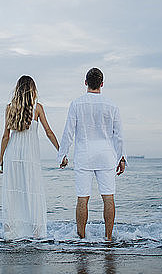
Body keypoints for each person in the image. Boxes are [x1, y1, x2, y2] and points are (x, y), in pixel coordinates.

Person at [57, 68, 126, 241]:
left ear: (85, 82)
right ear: (102, 84)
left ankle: (81, 238)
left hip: (84, 155)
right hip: (106, 155)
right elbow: (119, 135)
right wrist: (122, 157)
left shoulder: (76, 104)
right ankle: (108, 238)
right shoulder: (112, 105)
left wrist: (62, 154)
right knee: (108, 197)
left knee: (82, 198)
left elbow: (69, 132)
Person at [0, 75, 59, 240]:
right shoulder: (37, 108)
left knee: (13, 194)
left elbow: (5, 137)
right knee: (32, 191)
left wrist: (1, 159)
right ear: (33, 90)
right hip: (30, 156)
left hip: (13, 156)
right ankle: (36, 234)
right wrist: (60, 151)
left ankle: (11, 233)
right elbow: (49, 132)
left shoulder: (10, 108)